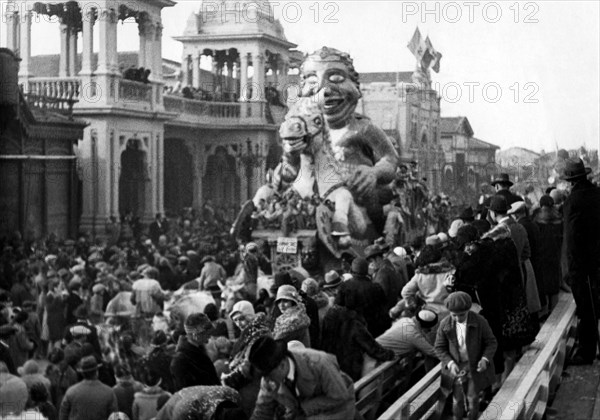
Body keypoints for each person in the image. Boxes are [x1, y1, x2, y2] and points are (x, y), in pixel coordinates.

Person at [249, 336, 356, 420]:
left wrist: (304, 407)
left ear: (281, 366)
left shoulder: (319, 362)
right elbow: (262, 410)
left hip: (338, 406)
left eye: (268, 375)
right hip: (306, 412)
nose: (266, 381)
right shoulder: (269, 378)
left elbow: (340, 396)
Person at [561, 159, 600, 365]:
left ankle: (587, 353)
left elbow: (572, 238)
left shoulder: (572, 202)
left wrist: (571, 269)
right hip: (598, 261)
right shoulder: (597, 194)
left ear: (570, 181)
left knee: (587, 309)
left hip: (582, 265)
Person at [435, 292, 497, 420]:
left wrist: (485, 359)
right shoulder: (445, 324)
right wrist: (450, 363)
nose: (457, 318)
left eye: (462, 315)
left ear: (468, 310)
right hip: (456, 366)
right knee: (457, 400)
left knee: (473, 399)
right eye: (454, 315)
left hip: (473, 365)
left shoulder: (480, 321)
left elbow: (491, 342)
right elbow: (439, 347)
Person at [321, 282, 395, 381]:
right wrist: (389, 354)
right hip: (350, 365)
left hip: (332, 364)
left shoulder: (329, 314)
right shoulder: (352, 319)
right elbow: (369, 345)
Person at [336, 257, 390, 337]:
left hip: (354, 331)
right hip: (375, 329)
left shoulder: (344, 287)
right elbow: (384, 307)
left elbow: (338, 309)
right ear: (366, 270)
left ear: (351, 270)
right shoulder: (376, 287)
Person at [170, 313, 220, 391]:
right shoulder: (180, 361)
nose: (209, 336)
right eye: (207, 333)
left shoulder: (199, 350)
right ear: (196, 335)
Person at [59, 356, 118, 420]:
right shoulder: (109, 393)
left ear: (82, 373)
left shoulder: (71, 392)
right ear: (97, 372)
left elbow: (63, 416)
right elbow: (114, 417)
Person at [533, 195, 563, 313]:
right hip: (555, 255)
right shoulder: (559, 219)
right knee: (554, 286)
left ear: (541, 205)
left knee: (544, 285)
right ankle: (554, 312)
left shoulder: (536, 220)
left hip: (542, 256)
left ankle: (545, 311)